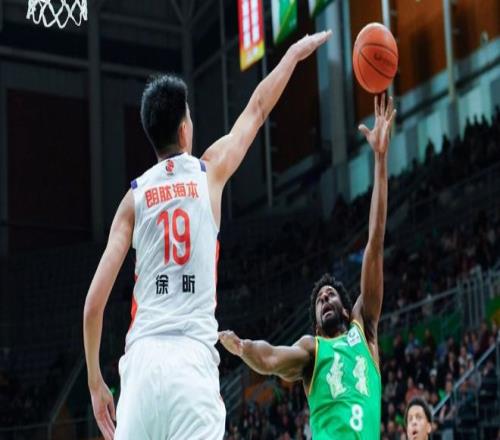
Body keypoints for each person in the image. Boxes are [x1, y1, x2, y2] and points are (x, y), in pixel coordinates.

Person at [83, 30, 332, 440]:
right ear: (184, 130)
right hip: (192, 366)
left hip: (142, 366)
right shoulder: (208, 172)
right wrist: (291, 55)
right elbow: (257, 108)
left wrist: (95, 381)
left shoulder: (132, 200)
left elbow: (94, 305)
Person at [219, 94, 396, 439]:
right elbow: (272, 358)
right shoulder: (312, 351)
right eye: (319, 300)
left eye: (330, 295)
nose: (325, 298)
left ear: (345, 307)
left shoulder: (365, 331)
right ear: (316, 321)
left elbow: (375, 241)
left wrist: (380, 159)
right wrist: (243, 348)